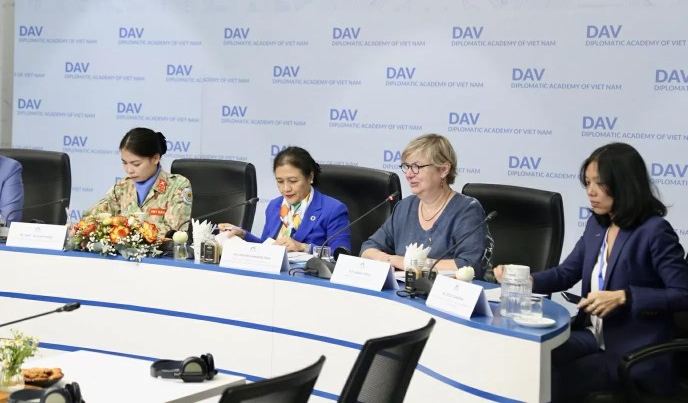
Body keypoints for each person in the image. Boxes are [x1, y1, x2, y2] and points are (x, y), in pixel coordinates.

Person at [494, 142, 688, 401]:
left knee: (549, 379)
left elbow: (682, 293)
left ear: (625, 183)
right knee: (528, 356)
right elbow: (566, 273)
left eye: (599, 183)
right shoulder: (597, 226)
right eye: (587, 183)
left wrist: (625, 297)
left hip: (632, 351)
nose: (591, 192)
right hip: (591, 336)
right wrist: (526, 281)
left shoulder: (655, 231)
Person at [360, 134, 486, 275]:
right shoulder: (404, 207)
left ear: (444, 169)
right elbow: (367, 249)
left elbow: (470, 265)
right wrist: (392, 260)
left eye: (416, 167)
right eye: (407, 166)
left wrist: (414, 264)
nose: (408, 174)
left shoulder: (467, 210)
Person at [220, 146, 350, 254]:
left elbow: (340, 254)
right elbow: (267, 247)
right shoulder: (274, 206)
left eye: (293, 181)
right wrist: (243, 235)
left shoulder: (333, 209)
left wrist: (303, 247)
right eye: (280, 181)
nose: (286, 189)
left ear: (310, 176)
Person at [83, 128, 192, 237]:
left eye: (136, 164)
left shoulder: (178, 186)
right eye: (125, 163)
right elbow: (92, 217)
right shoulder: (122, 187)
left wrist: (123, 232)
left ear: (155, 158)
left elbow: (173, 232)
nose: (129, 170)